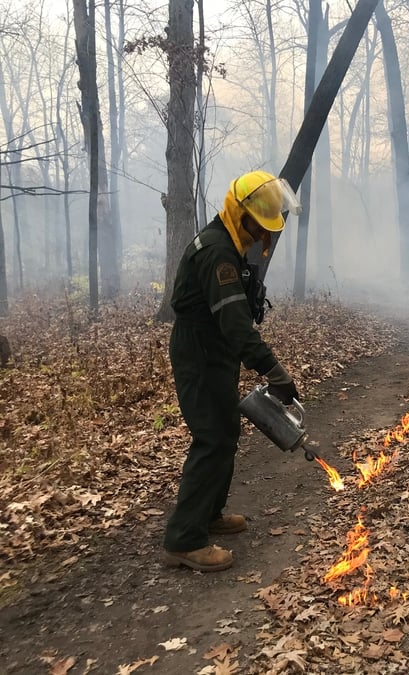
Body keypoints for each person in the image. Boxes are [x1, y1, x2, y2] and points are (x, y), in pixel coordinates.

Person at [162, 170, 301, 572]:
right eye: (259, 226)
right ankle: (183, 540)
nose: (263, 236)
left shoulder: (231, 242)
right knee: (212, 437)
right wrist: (275, 371)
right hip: (200, 352)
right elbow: (236, 325)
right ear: (240, 214)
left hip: (216, 350)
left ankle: (209, 515)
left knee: (226, 432)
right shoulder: (217, 254)